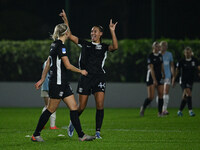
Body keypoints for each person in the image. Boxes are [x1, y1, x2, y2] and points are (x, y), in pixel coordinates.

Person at [31, 23, 96, 142]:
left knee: (73, 107)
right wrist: (81, 71)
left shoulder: (54, 44)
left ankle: (81, 135)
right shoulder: (60, 46)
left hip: (63, 83)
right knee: (51, 109)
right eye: (68, 32)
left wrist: (42, 79)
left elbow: (48, 62)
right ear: (66, 33)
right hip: (57, 83)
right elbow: (68, 65)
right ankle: (36, 134)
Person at [59, 9, 118, 139]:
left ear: (101, 34)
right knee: (81, 107)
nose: (93, 33)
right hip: (85, 77)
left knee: (100, 105)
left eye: (95, 31)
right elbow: (69, 34)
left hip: (99, 77)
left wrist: (112, 31)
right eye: (92, 31)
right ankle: (73, 123)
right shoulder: (85, 44)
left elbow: (115, 47)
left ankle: (97, 132)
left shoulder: (104, 47)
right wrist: (65, 19)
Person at [172, 47, 200, 117]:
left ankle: (179, 111)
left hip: (190, 80)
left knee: (185, 96)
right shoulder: (181, 61)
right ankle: (190, 111)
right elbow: (177, 70)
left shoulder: (194, 60)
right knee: (188, 93)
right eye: (186, 52)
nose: (187, 54)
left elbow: (199, 68)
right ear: (184, 53)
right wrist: (173, 79)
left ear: (191, 53)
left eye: (189, 52)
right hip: (183, 80)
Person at [140, 41, 165, 117]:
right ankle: (143, 108)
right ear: (153, 47)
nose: (157, 48)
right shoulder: (150, 56)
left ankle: (160, 113)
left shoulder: (160, 56)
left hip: (159, 76)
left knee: (161, 94)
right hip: (151, 77)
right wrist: (154, 80)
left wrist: (163, 73)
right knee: (151, 97)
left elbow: (161, 65)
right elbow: (151, 69)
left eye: (158, 47)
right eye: (156, 46)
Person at [156, 41, 175, 115]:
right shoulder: (157, 55)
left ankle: (164, 109)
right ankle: (160, 109)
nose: (164, 47)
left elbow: (172, 66)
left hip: (167, 75)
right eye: (162, 45)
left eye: (165, 45)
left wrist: (173, 76)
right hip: (159, 76)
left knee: (166, 92)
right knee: (160, 93)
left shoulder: (169, 54)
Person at [40, 61, 58, 129]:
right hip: (49, 87)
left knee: (47, 106)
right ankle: (52, 126)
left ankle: (42, 124)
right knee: (51, 106)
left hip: (44, 87)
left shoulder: (46, 62)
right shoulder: (51, 62)